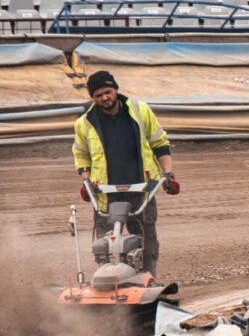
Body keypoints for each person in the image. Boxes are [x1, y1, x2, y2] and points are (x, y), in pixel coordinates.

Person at [72, 70, 179, 279]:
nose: (104, 98)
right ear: (93, 98)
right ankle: (107, 279)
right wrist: (86, 181)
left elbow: (160, 144)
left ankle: (148, 277)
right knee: (105, 240)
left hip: (141, 188)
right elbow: (81, 154)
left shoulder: (140, 111)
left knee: (146, 238)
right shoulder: (85, 122)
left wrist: (169, 175)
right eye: (98, 95)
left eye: (108, 92)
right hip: (104, 191)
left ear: (116, 89)